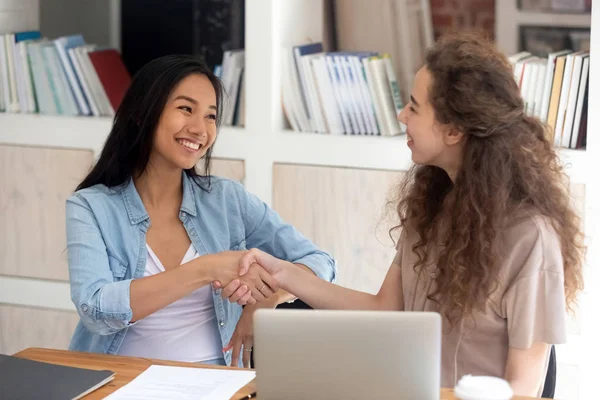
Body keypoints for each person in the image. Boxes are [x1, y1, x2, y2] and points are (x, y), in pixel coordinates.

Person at [221, 33, 585, 397]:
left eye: (414, 107)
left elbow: (524, 389)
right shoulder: (431, 207)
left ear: (454, 130)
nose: (401, 115)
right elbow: (384, 310)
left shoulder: (531, 237)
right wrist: (282, 272)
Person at [66, 55, 336, 367]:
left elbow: (320, 263)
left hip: (218, 382)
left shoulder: (226, 199)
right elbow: (95, 309)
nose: (200, 129)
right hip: (123, 380)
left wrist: (268, 300)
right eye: (185, 109)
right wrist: (205, 269)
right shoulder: (89, 206)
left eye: (211, 116)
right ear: (141, 113)